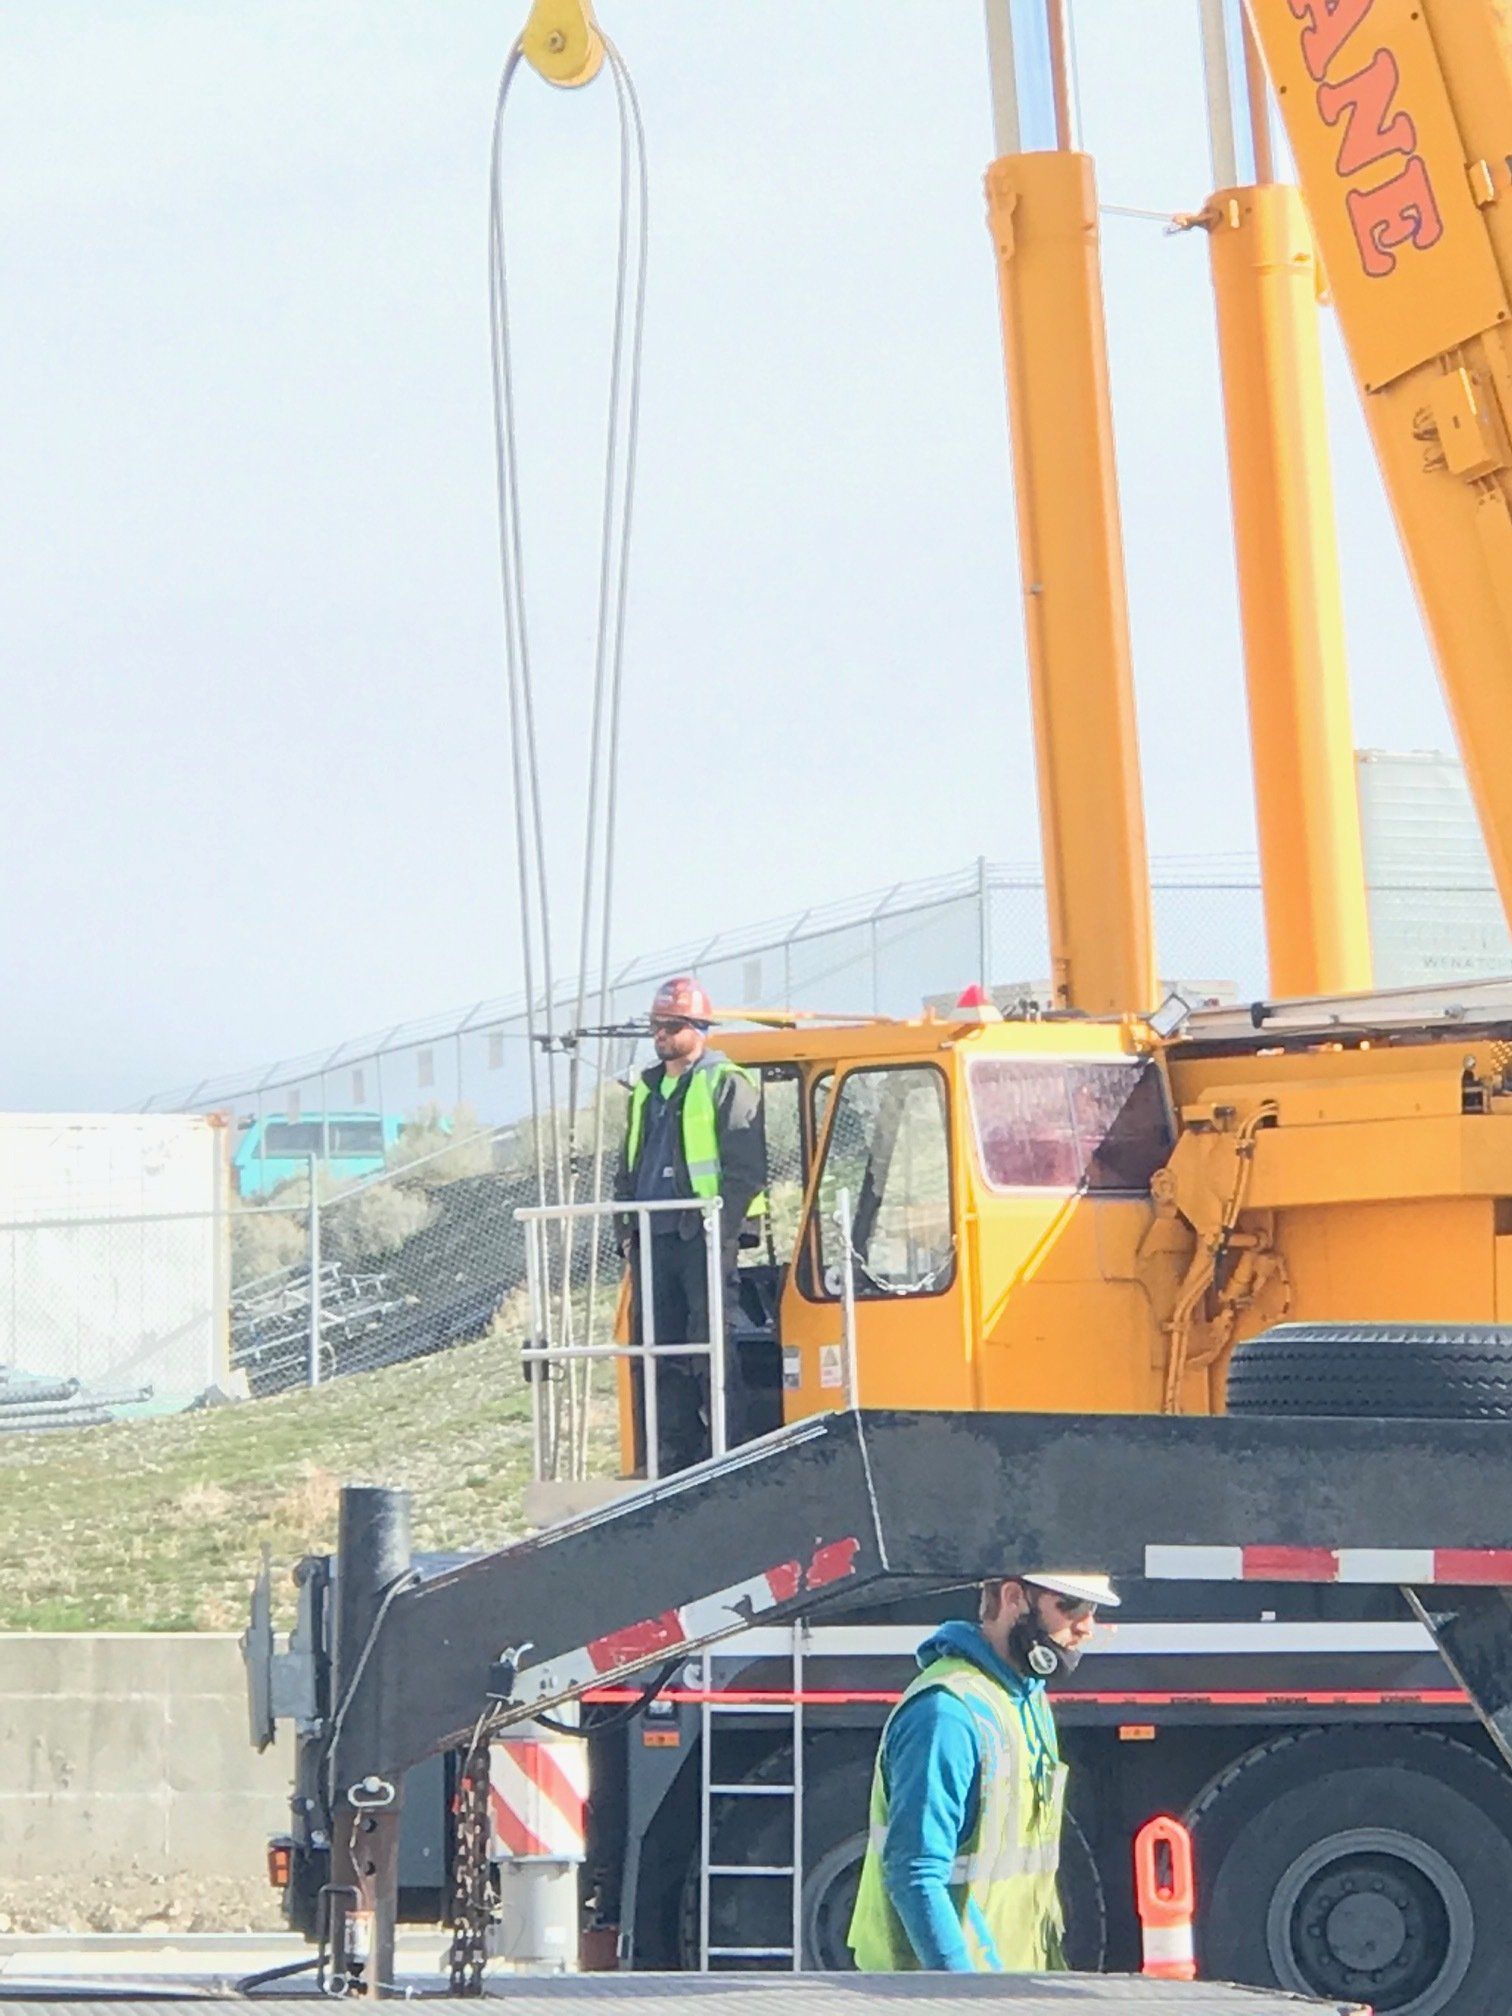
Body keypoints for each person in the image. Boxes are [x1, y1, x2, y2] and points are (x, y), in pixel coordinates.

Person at [848, 1572, 1119, 1974]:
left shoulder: (1025, 1698)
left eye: (1093, 1609)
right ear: (1013, 1598)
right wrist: (967, 1994)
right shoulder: (945, 1714)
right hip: (932, 1997)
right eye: (1071, 1606)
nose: (1086, 1627)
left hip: (1004, 1987)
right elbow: (916, 1875)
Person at [614, 975, 766, 1474]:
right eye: (656, 1025)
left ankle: (730, 1450)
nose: (659, 1034)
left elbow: (746, 1170)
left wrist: (720, 1232)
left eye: (670, 1025)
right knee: (659, 1352)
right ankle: (673, 1458)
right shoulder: (646, 1090)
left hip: (702, 1236)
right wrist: (625, 1230)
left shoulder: (728, 1083)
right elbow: (628, 1165)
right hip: (652, 1238)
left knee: (711, 1348)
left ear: (698, 1028)